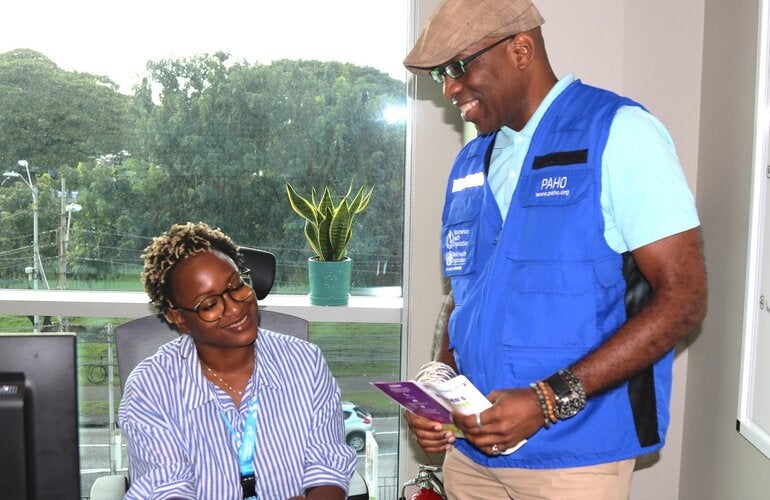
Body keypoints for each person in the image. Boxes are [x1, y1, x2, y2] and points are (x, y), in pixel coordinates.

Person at [402, 0, 708, 499]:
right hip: (470, 460)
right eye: (441, 72)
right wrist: (438, 387)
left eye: (459, 67)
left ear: (521, 49)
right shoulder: (468, 165)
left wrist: (547, 399)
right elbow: (463, 299)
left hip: (574, 460)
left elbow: (685, 297)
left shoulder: (619, 132)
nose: (449, 87)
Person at [118, 222, 357, 499]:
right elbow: (166, 488)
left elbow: (327, 467)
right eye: (209, 305)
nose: (234, 307)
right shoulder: (150, 388)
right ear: (179, 319)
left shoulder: (306, 362)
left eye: (237, 285)